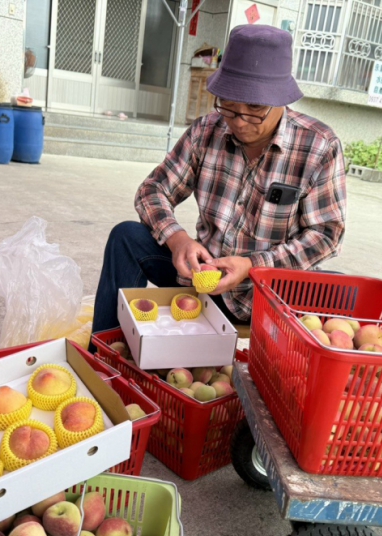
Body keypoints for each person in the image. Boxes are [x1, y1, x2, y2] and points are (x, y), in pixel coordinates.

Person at [91, 24, 347, 335]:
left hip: (269, 292)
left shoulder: (319, 146)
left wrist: (254, 265)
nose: (238, 120)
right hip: (201, 280)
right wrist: (178, 240)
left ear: (281, 99)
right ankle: (105, 353)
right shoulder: (206, 131)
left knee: (342, 293)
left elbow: (326, 234)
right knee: (126, 237)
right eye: (228, 104)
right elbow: (152, 190)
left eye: (253, 108)